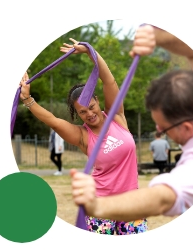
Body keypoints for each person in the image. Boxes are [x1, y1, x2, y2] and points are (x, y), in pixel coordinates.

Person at [70, 25, 193, 222]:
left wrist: (97, 205)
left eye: (163, 127)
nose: (158, 130)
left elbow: (162, 198)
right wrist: (156, 37)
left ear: (187, 128)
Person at [19, 38, 147, 235]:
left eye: (91, 107)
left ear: (97, 100)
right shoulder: (82, 136)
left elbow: (109, 80)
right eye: (82, 112)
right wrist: (27, 99)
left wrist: (91, 52)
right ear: (77, 114)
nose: (89, 114)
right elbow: (53, 120)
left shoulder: (116, 116)